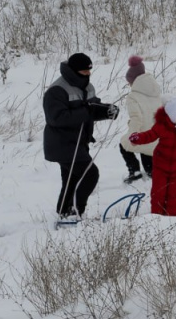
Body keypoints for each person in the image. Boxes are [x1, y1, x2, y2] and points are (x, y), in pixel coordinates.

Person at [43, 52, 119, 219]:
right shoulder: (57, 90)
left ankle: (64, 212)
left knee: (72, 178)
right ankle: (77, 211)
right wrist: (86, 111)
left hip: (79, 142)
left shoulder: (87, 86)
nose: (88, 74)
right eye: (84, 71)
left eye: (89, 71)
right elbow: (56, 118)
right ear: (73, 70)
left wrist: (107, 111)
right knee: (90, 174)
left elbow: (92, 109)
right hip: (62, 143)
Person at [119, 55, 162, 184]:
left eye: (129, 82)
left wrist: (132, 135)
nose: (129, 85)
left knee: (123, 144)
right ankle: (152, 171)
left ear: (133, 81)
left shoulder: (133, 96)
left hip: (145, 139)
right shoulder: (155, 92)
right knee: (148, 158)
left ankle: (134, 171)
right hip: (158, 137)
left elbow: (136, 119)